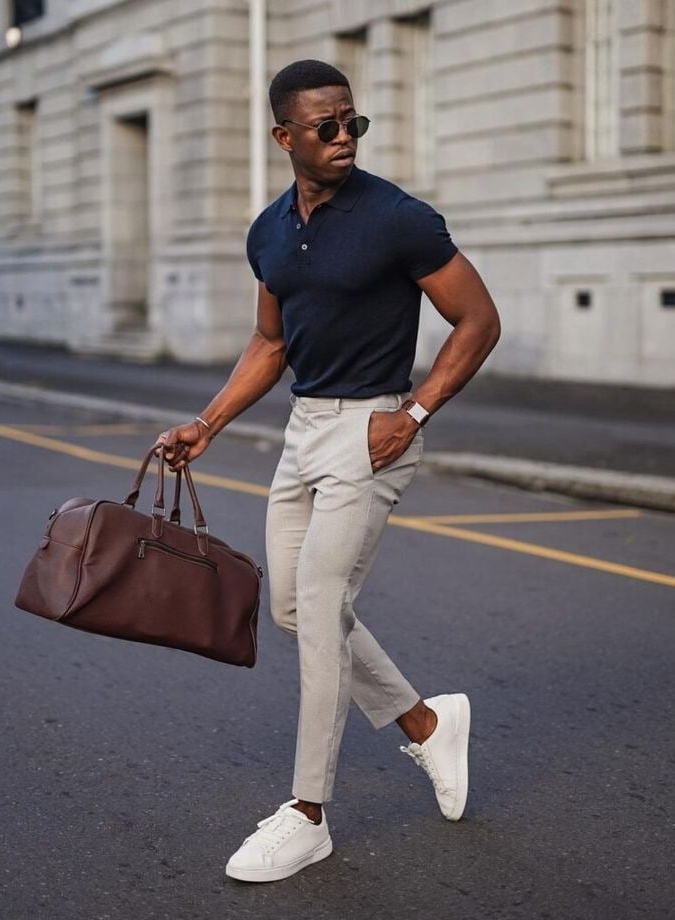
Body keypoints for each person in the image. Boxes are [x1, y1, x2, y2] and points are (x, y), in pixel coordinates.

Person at [156, 59, 500, 883]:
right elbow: (270, 343)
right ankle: (423, 723)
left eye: (354, 123)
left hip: (373, 430)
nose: (345, 137)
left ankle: (308, 813)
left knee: (319, 613)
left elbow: (478, 320)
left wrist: (412, 415)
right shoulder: (269, 230)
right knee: (291, 612)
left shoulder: (397, 218)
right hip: (304, 431)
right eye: (326, 127)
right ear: (285, 136)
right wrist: (207, 423)